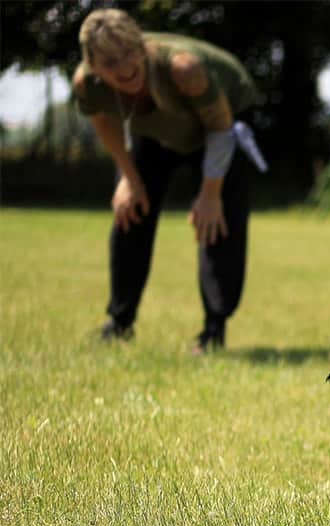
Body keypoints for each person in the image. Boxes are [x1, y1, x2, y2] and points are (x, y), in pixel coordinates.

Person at [72, 8, 267, 353]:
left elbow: (220, 128)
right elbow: (103, 120)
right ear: (93, 65)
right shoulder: (87, 84)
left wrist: (209, 194)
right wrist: (128, 177)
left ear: (141, 45)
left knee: (216, 223)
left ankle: (213, 329)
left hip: (221, 124)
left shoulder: (183, 69)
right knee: (129, 212)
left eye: (130, 53)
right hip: (157, 132)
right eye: (110, 62)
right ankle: (119, 322)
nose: (125, 68)